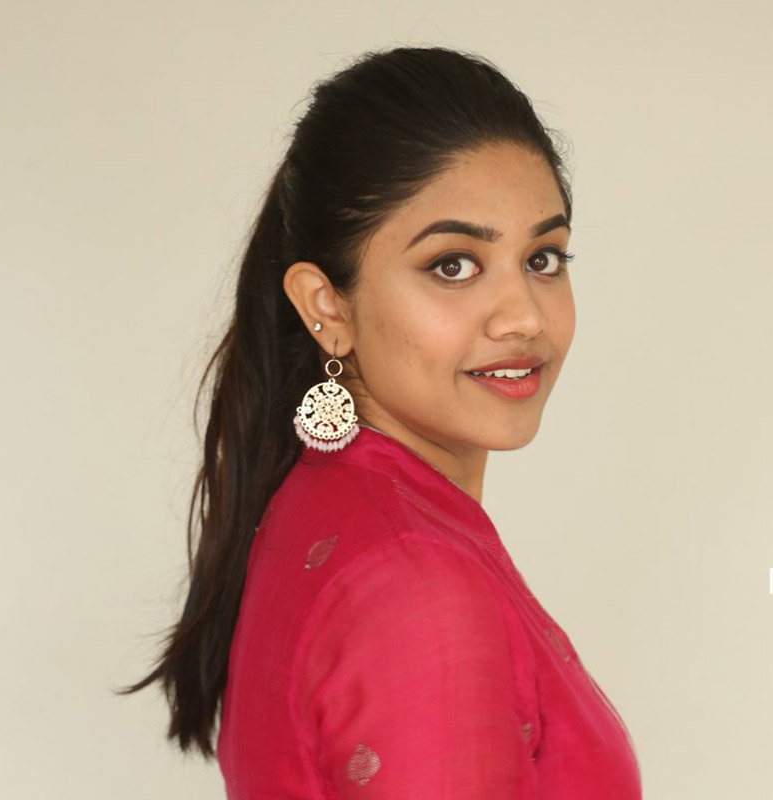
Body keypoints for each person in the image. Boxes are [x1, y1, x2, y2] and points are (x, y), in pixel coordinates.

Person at [126, 46, 642, 798]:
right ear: (326, 306)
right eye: (453, 265)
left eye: (543, 259)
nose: (525, 317)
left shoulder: (320, 502)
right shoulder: (417, 585)